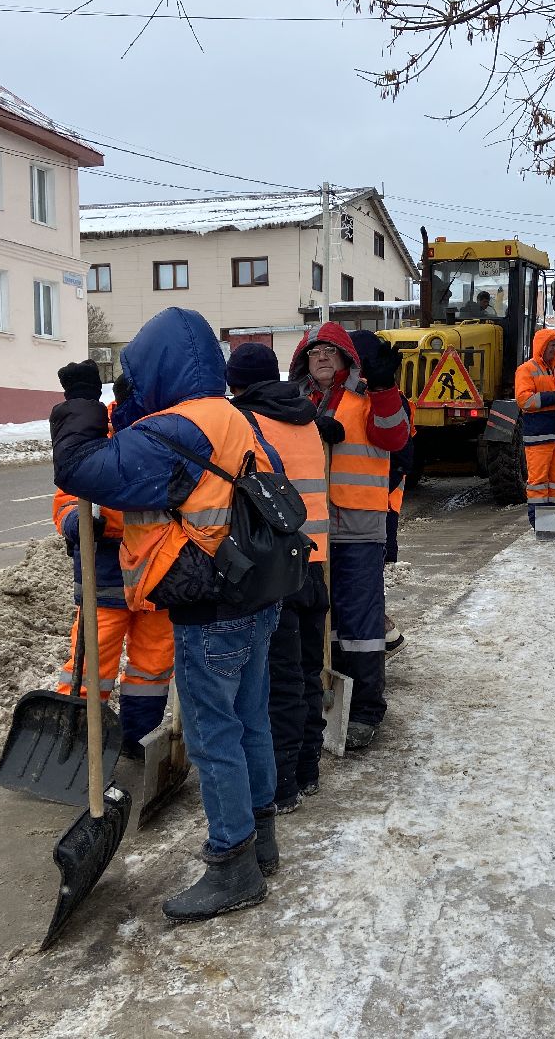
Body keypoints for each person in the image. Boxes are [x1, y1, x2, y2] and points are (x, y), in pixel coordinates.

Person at [51, 307, 285, 923]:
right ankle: (262, 842)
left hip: (209, 606)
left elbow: (80, 469)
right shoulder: (233, 417)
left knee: (214, 737)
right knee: (250, 721)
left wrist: (81, 403)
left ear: (155, 367)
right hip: (258, 596)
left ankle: (233, 863)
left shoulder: (181, 428)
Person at [289, 323, 409, 751]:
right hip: (307, 532)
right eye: (314, 351)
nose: (321, 357)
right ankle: (321, 699)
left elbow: (395, 436)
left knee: (359, 624)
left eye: (330, 352)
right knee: (319, 623)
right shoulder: (296, 403)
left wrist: (386, 387)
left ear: (346, 359)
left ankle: (364, 710)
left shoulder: (370, 398)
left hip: (358, 528)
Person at [224, 343, 328, 814]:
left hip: (278, 567)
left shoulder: (246, 423)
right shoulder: (304, 417)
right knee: (307, 669)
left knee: (279, 678)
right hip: (315, 559)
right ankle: (307, 769)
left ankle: (282, 783)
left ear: (236, 384)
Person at [50, 385, 174, 758]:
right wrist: (77, 520)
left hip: (159, 571)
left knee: (152, 667)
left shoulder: (169, 430)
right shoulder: (97, 435)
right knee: (90, 663)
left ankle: (138, 742)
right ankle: (73, 744)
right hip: (106, 569)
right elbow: (66, 498)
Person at [348, 330, 413, 660]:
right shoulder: (349, 399)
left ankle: (386, 637)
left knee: (367, 582)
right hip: (362, 509)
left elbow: (402, 456)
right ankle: (385, 637)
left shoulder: (390, 401)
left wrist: (371, 493)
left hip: (378, 508)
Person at [514, 327, 555, 526]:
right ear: (541, 346)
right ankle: (538, 522)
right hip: (539, 436)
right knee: (539, 482)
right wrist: (553, 397)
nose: (553, 349)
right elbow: (524, 400)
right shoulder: (527, 369)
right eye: (550, 345)